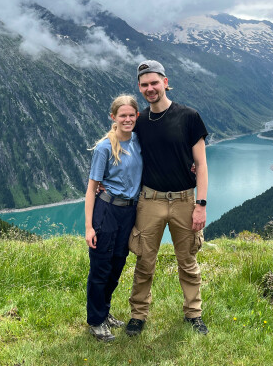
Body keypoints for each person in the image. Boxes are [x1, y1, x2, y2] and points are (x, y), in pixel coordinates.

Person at [125, 60, 209, 336]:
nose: (150, 88)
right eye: (145, 84)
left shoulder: (189, 117)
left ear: (165, 81)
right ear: (139, 88)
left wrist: (201, 205)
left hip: (185, 201)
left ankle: (193, 314)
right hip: (149, 201)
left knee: (187, 260)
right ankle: (138, 315)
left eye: (154, 82)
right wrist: (101, 183)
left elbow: (202, 164)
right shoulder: (138, 123)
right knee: (144, 261)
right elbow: (120, 154)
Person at [85, 95, 142, 342]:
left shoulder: (139, 141)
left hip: (129, 212)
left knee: (117, 264)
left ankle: (104, 312)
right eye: (122, 116)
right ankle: (96, 321)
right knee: (101, 267)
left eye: (131, 115)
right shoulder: (105, 148)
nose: (127, 119)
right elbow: (91, 188)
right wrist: (89, 226)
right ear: (113, 118)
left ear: (137, 117)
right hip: (106, 210)